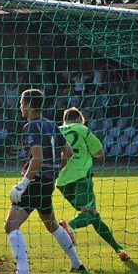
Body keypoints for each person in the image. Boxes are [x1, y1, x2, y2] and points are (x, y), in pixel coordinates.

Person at [3, 89, 83, 274]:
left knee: (11, 225)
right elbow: (69, 152)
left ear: (29, 104)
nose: (20, 106)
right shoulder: (51, 125)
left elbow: (37, 158)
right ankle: (77, 263)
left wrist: (22, 185)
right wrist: (54, 170)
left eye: (22, 102)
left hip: (36, 182)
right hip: (47, 183)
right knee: (52, 225)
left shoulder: (31, 126)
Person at [56, 107, 130, 262]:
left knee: (93, 215)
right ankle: (68, 226)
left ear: (65, 120)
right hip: (81, 177)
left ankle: (119, 249)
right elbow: (100, 154)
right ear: (81, 119)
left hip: (62, 181)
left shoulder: (57, 131)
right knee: (89, 214)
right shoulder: (83, 129)